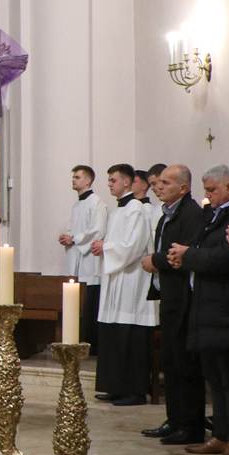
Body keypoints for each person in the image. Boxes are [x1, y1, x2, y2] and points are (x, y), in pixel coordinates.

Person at [171, 165, 229, 455]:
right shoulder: (213, 214)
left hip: (227, 307)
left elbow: (226, 258)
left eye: (212, 190)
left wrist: (189, 256)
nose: (207, 196)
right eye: (206, 190)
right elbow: (199, 247)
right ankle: (220, 434)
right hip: (207, 305)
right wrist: (185, 255)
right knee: (214, 375)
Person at [143, 164, 205, 444]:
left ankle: (189, 425)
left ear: (183, 187)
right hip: (169, 295)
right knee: (170, 361)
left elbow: (183, 254)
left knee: (184, 363)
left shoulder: (191, 214)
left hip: (184, 298)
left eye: (166, 182)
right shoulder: (167, 214)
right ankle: (174, 419)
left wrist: (155, 261)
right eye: (159, 182)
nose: (159, 186)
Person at [93, 163, 158, 407]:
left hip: (132, 281)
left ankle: (135, 391)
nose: (109, 184)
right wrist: (105, 246)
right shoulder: (118, 210)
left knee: (130, 336)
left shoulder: (136, 209)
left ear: (127, 182)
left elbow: (133, 246)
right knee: (114, 334)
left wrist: (105, 247)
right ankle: (116, 387)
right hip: (116, 279)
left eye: (113, 180)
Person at [58, 165, 105, 344]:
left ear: (88, 180)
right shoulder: (77, 205)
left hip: (89, 261)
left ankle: (90, 343)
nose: (73, 180)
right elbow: (73, 228)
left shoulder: (97, 203)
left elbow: (98, 230)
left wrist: (74, 239)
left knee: (90, 302)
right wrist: (66, 237)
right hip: (76, 258)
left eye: (77, 177)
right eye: (73, 177)